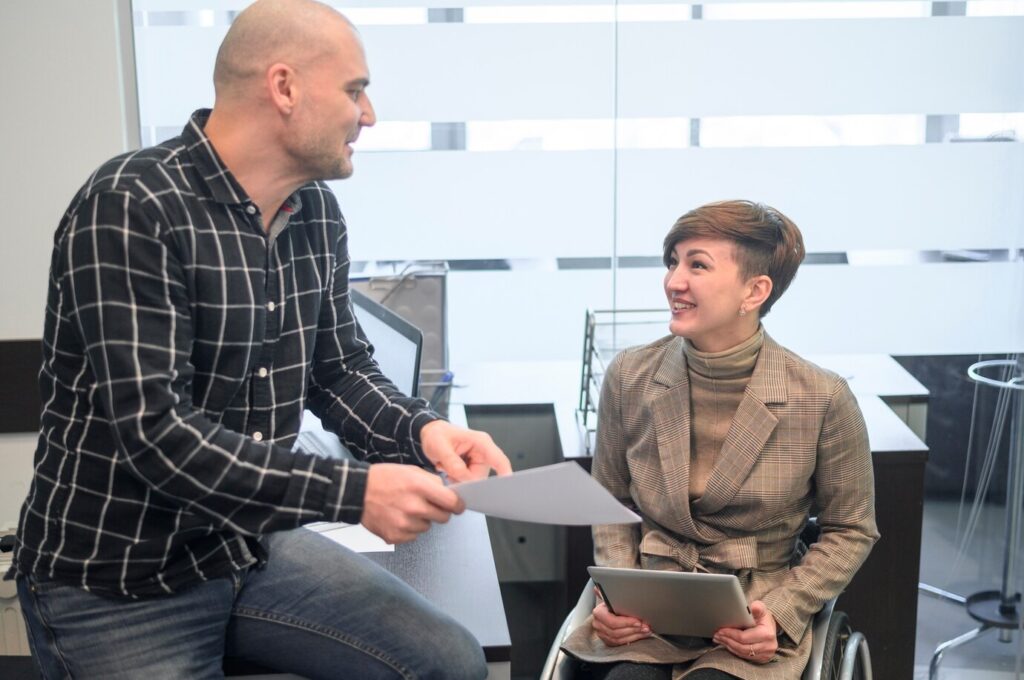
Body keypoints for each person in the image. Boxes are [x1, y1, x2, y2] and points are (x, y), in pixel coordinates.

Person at [5, 1, 511, 678]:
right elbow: (158, 435)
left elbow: (338, 371)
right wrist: (354, 492)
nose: (369, 116)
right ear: (284, 87)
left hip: (243, 546)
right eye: (355, 90)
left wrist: (423, 434)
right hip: (119, 583)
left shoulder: (315, 213)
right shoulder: (131, 207)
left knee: (451, 662)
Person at [562, 200, 879, 680]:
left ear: (755, 290)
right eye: (673, 262)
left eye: (697, 265)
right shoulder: (630, 376)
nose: (673, 281)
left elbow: (850, 529)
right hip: (649, 609)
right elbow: (611, 500)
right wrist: (616, 594)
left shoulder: (822, 398)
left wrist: (782, 610)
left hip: (751, 622)